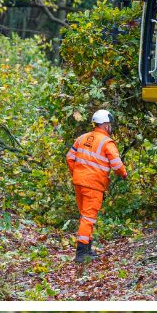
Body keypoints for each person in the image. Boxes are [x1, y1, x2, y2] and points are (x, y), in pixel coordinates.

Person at [64, 109, 126, 263]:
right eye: (110, 124)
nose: (110, 127)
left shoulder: (82, 138)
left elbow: (69, 157)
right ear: (105, 125)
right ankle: (81, 253)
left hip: (79, 183)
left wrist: (78, 173)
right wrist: (124, 174)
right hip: (93, 185)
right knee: (88, 217)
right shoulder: (106, 142)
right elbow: (117, 164)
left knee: (85, 217)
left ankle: (87, 249)